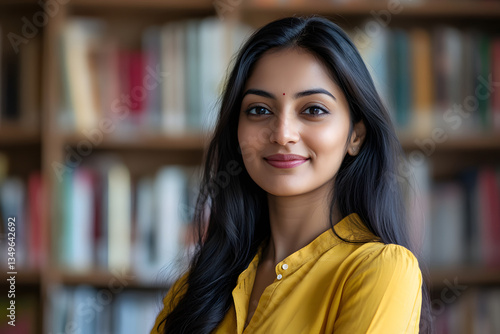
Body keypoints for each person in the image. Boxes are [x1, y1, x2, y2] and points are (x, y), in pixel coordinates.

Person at [151, 15, 431, 334]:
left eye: (313, 110)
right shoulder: (196, 287)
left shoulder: (381, 270)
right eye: (259, 110)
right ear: (236, 131)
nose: (283, 134)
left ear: (356, 135)